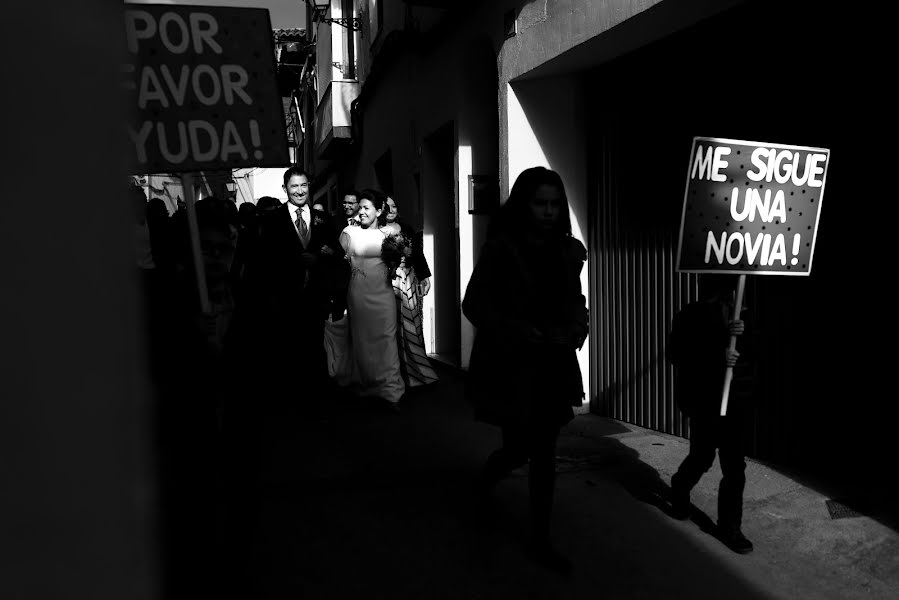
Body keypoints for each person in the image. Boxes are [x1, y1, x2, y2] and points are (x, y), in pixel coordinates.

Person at [463, 167, 588, 573]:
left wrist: (576, 331)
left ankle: (541, 539)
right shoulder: (502, 248)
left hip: (552, 366)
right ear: (523, 204)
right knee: (518, 449)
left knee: (545, 454)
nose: (549, 212)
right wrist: (518, 330)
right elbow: (474, 305)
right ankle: (486, 481)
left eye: (555, 204)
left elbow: (577, 303)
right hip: (512, 367)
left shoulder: (569, 251)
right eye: (540, 203)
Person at [667, 273, 755, 554]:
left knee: (734, 467)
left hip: (736, 402)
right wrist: (719, 353)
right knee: (702, 456)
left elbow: (758, 354)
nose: (732, 298)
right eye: (725, 292)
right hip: (704, 399)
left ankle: (730, 527)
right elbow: (676, 354)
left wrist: (744, 337)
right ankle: (680, 486)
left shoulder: (748, 316)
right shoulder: (691, 315)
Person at [338, 188, 405, 410]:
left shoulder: (390, 235)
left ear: (378, 211)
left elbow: (400, 261)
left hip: (383, 295)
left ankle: (392, 391)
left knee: (387, 339)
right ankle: (366, 385)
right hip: (358, 294)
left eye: (367, 208)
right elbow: (341, 262)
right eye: (361, 207)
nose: (362, 212)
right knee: (362, 341)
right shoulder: (349, 232)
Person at [384, 195, 438, 387]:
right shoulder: (377, 230)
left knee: (411, 324)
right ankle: (394, 373)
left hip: (408, 281)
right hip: (386, 282)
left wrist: (425, 277)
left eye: (394, 206)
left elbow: (418, 254)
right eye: (387, 206)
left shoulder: (406, 229)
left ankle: (416, 371)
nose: (391, 210)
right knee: (391, 326)